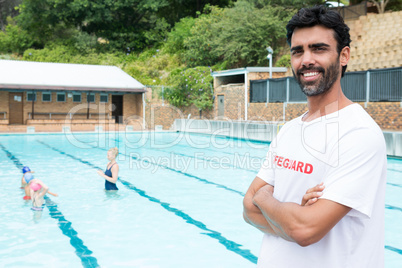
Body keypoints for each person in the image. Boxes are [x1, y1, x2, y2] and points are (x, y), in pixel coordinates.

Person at [243, 5, 387, 268]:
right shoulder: (290, 130)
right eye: (298, 51)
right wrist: (290, 218)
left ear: (344, 56)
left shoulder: (359, 133)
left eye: (318, 48)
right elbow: (247, 210)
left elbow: (305, 230)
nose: (306, 59)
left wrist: (265, 199)